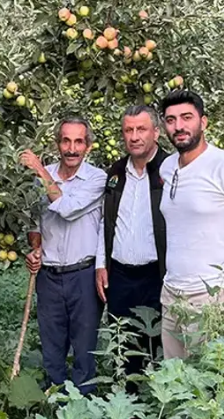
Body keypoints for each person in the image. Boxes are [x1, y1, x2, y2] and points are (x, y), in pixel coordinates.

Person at [20, 117, 106, 395]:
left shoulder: (96, 179)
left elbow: (66, 207)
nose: (71, 148)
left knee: (84, 348)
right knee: (52, 347)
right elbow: (35, 223)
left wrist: (40, 170)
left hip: (83, 274)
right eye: (66, 141)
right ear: (58, 144)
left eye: (78, 141)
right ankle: (54, 402)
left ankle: (84, 406)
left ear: (88, 146)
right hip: (49, 276)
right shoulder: (40, 181)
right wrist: (36, 248)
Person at [95, 105, 169, 386]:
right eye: (129, 130)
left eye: (141, 129)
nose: (134, 136)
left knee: (158, 347)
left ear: (156, 132)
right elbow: (106, 222)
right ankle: (127, 406)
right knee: (123, 349)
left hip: (157, 275)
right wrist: (102, 264)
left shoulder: (170, 170)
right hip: (121, 276)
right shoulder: (115, 174)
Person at [157, 90, 224, 359]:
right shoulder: (167, 167)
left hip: (210, 296)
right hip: (172, 293)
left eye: (187, 117)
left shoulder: (219, 164)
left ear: (203, 122)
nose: (179, 126)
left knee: (207, 386)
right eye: (171, 120)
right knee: (174, 382)